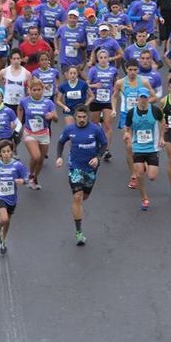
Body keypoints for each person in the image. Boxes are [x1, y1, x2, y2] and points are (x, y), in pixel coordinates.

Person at [55, 105, 108, 246]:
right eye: (79, 117)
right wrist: (59, 157)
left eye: (84, 117)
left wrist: (98, 157)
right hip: (75, 168)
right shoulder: (69, 129)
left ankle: (77, 206)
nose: (82, 119)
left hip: (91, 169)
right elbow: (60, 142)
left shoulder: (96, 129)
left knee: (85, 196)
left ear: (88, 117)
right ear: (75, 117)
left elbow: (104, 144)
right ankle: (79, 232)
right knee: (77, 196)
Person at [113, 60, 156, 189]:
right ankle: (133, 175)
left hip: (140, 115)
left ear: (138, 70)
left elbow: (154, 97)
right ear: (126, 69)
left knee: (140, 143)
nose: (132, 72)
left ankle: (143, 161)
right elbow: (114, 96)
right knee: (129, 146)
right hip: (126, 115)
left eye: (135, 70)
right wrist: (114, 109)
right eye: (130, 69)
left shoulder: (143, 82)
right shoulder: (120, 83)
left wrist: (144, 104)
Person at [124, 89, 163, 211]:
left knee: (152, 177)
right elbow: (128, 127)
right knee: (139, 174)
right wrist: (128, 137)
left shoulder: (155, 110)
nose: (143, 100)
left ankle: (146, 165)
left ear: (148, 98)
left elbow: (163, 122)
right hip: (138, 147)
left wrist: (162, 137)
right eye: (141, 97)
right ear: (137, 99)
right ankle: (144, 198)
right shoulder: (131, 112)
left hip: (152, 148)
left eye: (145, 97)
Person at [0, 140, 29, 255]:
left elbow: (27, 176)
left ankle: (2, 240)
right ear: (0, 153)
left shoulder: (18, 165)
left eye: (8, 151)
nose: (6, 154)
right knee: (4, 219)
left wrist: (23, 181)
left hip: (12, 197)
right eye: (3, 152)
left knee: (7, 221)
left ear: (12, 152)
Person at [19, 77, 58, 190]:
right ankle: (30, 174)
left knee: (40, 160)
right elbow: (20, 108)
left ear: (43, 90)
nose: (37, 92)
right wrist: (19, 122)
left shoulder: (48, 103)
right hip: (29, 133)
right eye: (34, 90)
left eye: (39, 89)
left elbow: (56, 118)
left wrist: (52, 116)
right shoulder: (25, 101)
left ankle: (35, 177)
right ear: (30, 90)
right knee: (36, 156)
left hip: (44, 133)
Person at [87, 49, 117, 160]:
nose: (103, 60)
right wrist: (95, 86)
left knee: (108, 125)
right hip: (95, 101)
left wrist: (115, 89)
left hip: (107, 101)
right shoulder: (93, 70)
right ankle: (95, 145)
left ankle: (106, 149)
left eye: (105, 57)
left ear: (108, 58)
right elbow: (87, 85)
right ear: (98, 59)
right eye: (101, 58)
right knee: (94, 125)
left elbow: (116, 82)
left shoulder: (113, 70)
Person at [0, 48, 31, 112]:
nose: (16, 61)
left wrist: (28, 100)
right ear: (10, 60)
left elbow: (30, 88)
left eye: (18, 58)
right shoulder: (4, 71)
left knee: (20, 122)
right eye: (14, 59)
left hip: (20, 104)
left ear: (21, 59)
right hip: (7, 102)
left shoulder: (27, 73)